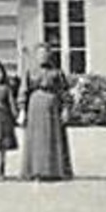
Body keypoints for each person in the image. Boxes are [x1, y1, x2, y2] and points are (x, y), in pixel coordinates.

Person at [19, 44, 73, 180]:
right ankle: (35, 171)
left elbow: (65, 93)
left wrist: (66, 109)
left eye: (45, 53)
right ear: (36, 56)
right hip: (35, 109)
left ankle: (55, 171)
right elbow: (23, 92)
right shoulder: (30, 72)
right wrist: (22, 111)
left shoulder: (57, 73)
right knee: (36, 141)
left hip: (53, 109)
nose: (43, 56)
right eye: (40, 53)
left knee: (53, 139)